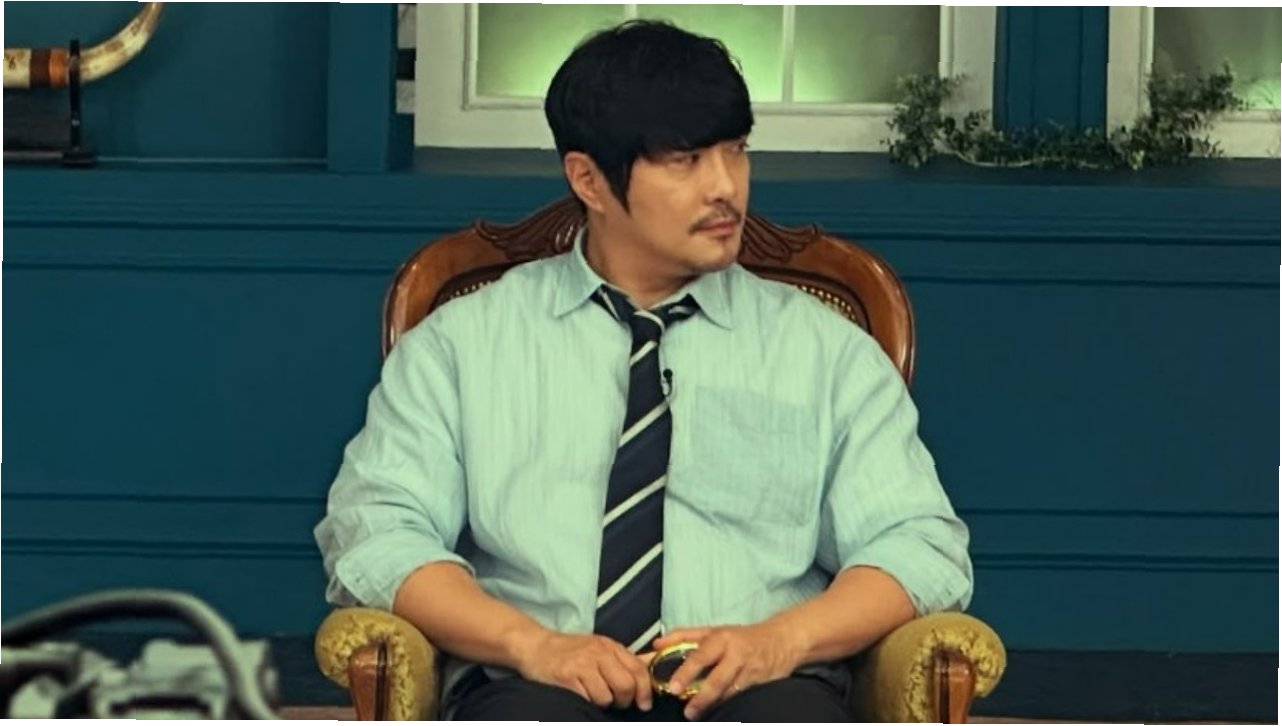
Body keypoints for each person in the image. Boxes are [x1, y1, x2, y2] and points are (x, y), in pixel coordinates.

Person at [315, 19, 972, 723]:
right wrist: (531, 645)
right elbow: (377, 530)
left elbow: (918, 546)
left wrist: (780, 641)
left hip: (764, 689)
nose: (726, 187)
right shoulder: (462, 344)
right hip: (537, 684)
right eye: (685, 160)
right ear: (589, 179)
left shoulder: (826, 350)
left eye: (736, 150)